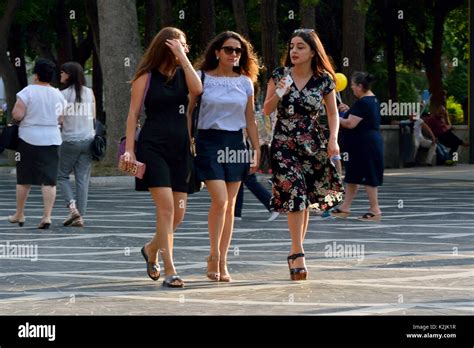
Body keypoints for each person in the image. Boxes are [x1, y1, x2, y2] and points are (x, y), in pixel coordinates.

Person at [122, 27, 202, 288]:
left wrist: (184, 59)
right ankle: (170, 270)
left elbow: (198, 89)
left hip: (180, 149)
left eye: (185, 45)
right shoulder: (146, 77)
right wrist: (130, 150)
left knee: (178, 214)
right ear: (165, 46)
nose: (184, 48)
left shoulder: (184, 74)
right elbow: (133, 114)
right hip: (152, 147)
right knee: (166, 209)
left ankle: (150, 248)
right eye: (180, 45)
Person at [263, 29, 344, 281]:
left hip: (312, 143)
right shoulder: (279, 75)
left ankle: (296, 251)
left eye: (300, 47)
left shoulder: (324, 80)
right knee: (295, 193)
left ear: (312, 51)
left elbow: (332, 113)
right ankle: (297, 253)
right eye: (291, 46)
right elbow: (266, 109)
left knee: (306, 197)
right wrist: (280, 91)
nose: (294, 51)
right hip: (284, 142)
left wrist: (333, 139)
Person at [188, 31, 260, 282]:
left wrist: (257, 148)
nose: (234, 54)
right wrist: (188, 141)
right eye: (229, 49)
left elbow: (250, 119)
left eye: (238, 51)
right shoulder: (202, 78)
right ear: (217, 52)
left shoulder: (245, 82)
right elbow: (188, 113)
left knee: (229, 206)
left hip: (236, 145)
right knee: (220, 201)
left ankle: (223, 259)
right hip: (208, 142)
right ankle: (212, 256)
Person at [8, 58, 66, 229]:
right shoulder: (58, 94)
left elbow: (17, 115)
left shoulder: (27, 92)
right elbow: (61, 119)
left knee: (24, 179)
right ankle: (47, 216)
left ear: (36, 75)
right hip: (52, 139)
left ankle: (19, 213)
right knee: (49, 180)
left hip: (28, 138)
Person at [331, 72, 383, 222]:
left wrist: (335, 117)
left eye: (353, 85)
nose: (352, 88)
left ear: (360, 86)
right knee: (353, 176)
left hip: (365, 145)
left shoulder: (363, 102)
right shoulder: (371, 100)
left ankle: (375, 210)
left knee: (368, 176)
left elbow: (350, 123)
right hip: (363, 144)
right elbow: (357, 117)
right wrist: (347, 111)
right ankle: (345, 207)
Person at [57, 62, 96, 227]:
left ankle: (72, 209)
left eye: (62, 72)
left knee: (61, 175)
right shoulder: (90, 92)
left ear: (69, 75)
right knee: (82, 179)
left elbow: (59, 119)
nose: (60, 75)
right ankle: (80, 217)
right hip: (88, 140)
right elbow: (93, 117)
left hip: (69, 141)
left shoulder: (63, 95)